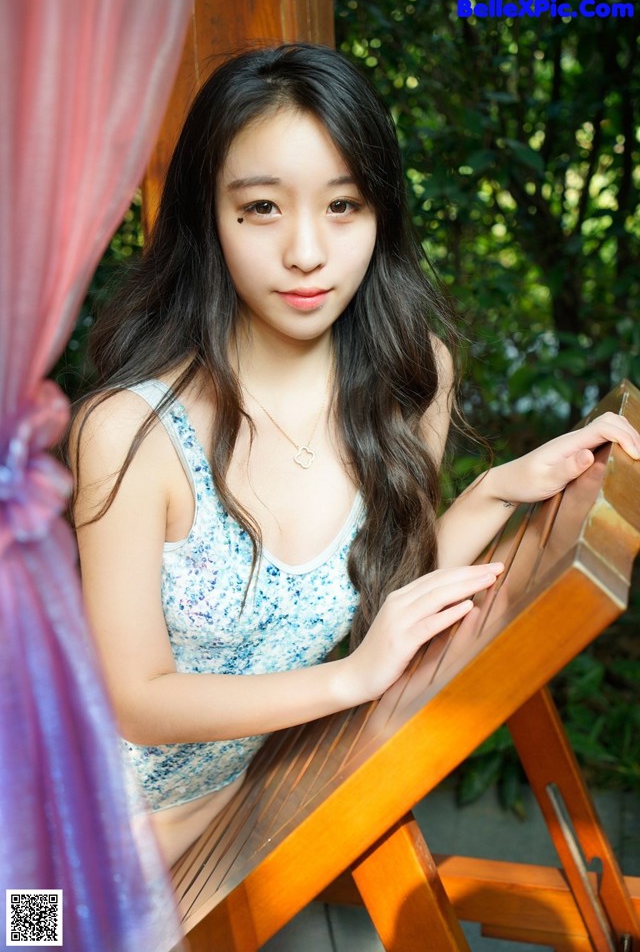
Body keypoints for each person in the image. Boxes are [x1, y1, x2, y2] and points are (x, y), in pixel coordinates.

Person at [68, 43, 640, 868]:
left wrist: (495, 493)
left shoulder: (411, 381)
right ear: (207, 217)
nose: (307, 250)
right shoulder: (131, 430)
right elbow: (135, 701)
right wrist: (349, 680)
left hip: (213, 816)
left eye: (344, 206)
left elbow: (376, 600)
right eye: (261, 207)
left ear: (382, 213)